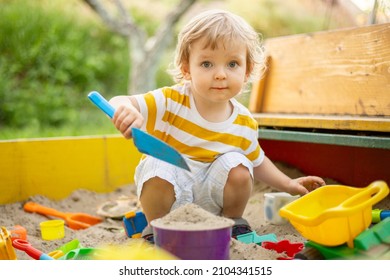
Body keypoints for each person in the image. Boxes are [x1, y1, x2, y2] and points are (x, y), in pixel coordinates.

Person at [108, 9, 325, 243]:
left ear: (247, 70)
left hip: (214, 203)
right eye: (207, 63)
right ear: (186, 68)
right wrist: (124, 109)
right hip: (171, 198)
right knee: (156, 162)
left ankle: (232, 224)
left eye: (232, 64)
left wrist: (289, 184)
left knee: (239, 164)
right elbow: (121, 101)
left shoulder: (243, 121)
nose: (221, 74)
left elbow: (257, 160)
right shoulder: (171, 101)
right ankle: (156, 229)